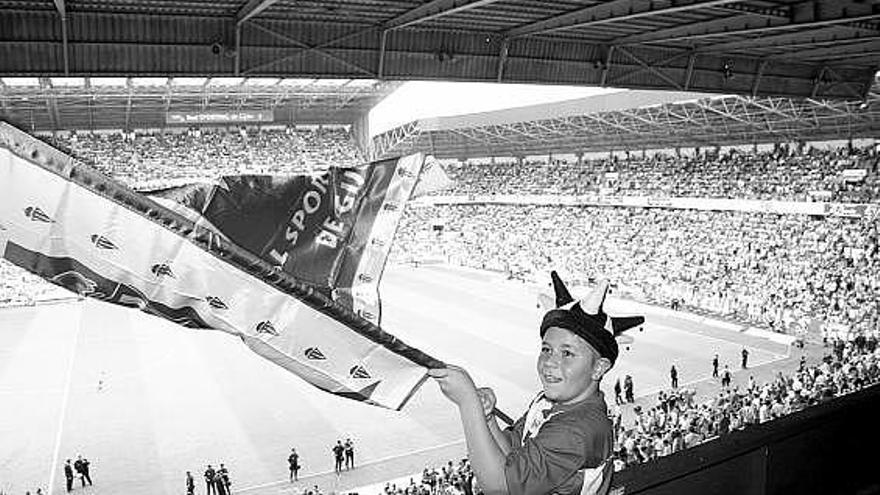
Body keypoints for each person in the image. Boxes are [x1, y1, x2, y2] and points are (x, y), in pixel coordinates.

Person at [429, 273, 643, 495]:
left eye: (567, 353)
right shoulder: (549, 402)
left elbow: (501, 487)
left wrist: (468, 404)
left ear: (598, 368)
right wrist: (488, 417)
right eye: (546, 349)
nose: (550, 362)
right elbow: (512, 455)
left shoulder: (577, 430)